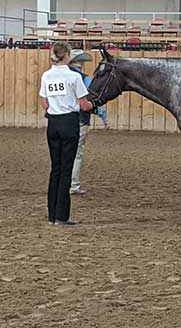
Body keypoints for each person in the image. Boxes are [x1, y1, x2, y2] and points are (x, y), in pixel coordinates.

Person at [39, 42, 93, 226]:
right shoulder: (74, 77)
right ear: (67, 55)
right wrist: (92, 106)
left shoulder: (46, 75)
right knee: (66, 170)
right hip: (69, 123)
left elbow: (45, 104)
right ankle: (62, 216)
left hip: (53, 123)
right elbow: (84, 104)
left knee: (55, 169)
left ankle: (52, 215)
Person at [69, 49, 109, 195]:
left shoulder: (57, 76)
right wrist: (102, 115)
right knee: (77, 154)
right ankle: (73, 184)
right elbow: (91, 100)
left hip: (60, 119)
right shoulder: (84, 79)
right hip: (80, 120)